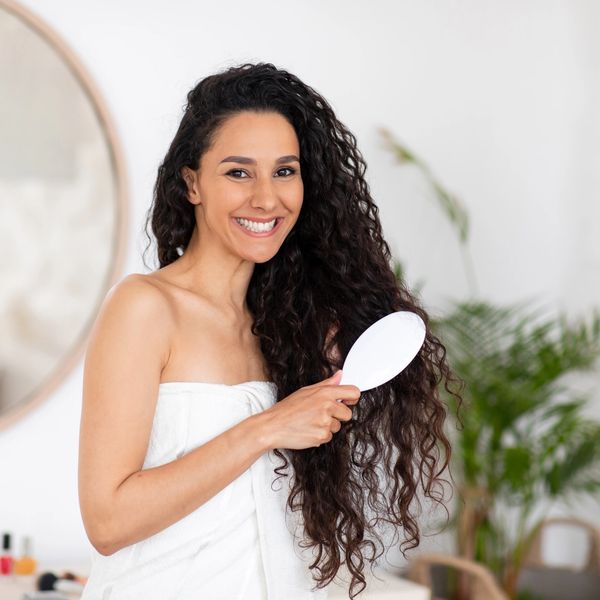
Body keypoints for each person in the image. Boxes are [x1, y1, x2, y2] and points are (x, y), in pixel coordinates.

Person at [78, 62, 461, 600]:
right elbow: (108, 522)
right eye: (238, 172)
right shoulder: (146, 308)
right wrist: (267, 426)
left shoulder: (286, 329)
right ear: (192, 184)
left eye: (285, 171)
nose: (266, 198)